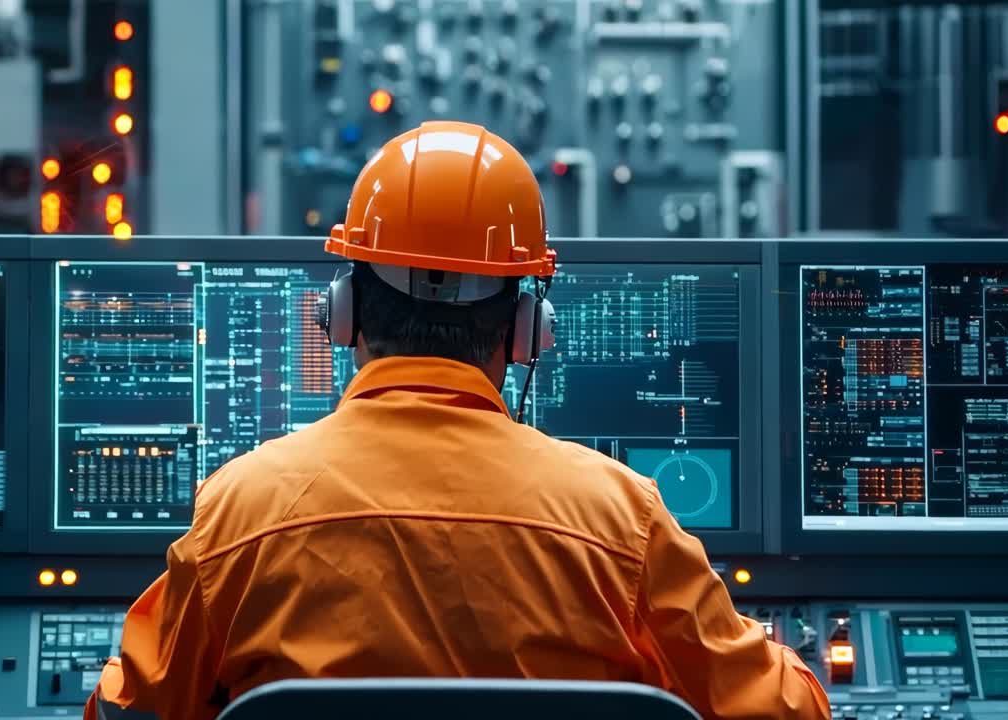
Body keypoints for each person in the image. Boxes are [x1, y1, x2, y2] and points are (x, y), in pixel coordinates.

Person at [85, 121, 830, 720]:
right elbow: (789, 713)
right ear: (526, 328)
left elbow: (130, 712)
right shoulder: (621, 524)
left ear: (344, 315)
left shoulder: (240, 515)